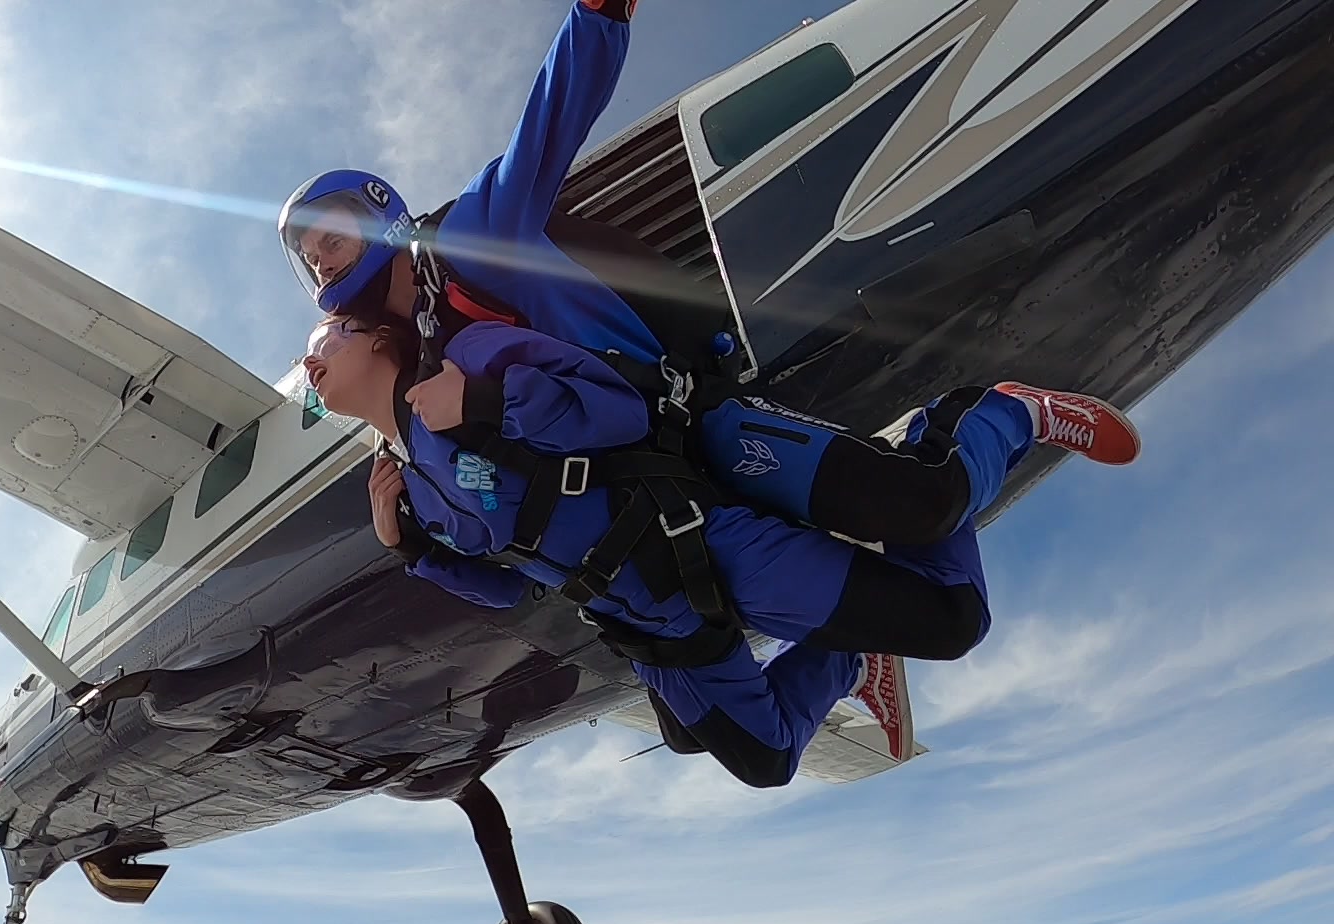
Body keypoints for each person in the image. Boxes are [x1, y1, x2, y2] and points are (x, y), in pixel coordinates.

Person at [277, 0, 1143, 548]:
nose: (320, 254)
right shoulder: (398, 359)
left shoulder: (468, 238)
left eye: (332, 231)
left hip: (681, 409)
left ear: (383, 211)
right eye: (307, 252)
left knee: (918, 509)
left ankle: (1008, 412)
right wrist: (404, 540)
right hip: (632, 478)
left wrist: (599, 12)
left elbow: (548, 120)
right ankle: (854, 650)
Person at [298, 307, 1143, 787]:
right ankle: (851, 663)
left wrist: (484, 404)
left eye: (327, 335)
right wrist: (411, 549)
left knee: (956, 620)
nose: (311, 358)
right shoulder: (404, 487)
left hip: (700, 544)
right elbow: (512, 590)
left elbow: (616, 415)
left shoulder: (466, 359)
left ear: (381, 340)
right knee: (766, 758)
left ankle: (991, 414)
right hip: (649, 621)